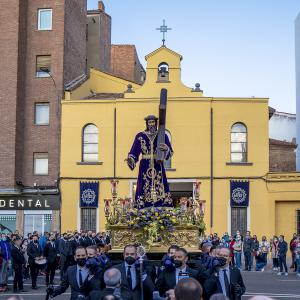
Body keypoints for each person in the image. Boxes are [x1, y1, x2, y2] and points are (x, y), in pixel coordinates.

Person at [126, 115, 174, 208]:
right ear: (147, 124)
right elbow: (134, 151)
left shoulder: (162, 135)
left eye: (153, 122)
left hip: (158, 164)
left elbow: (170, 152)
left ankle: (162, 205)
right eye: (149, 122)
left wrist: (166, 149)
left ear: (156, 123)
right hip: (145, 165)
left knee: (160, 184)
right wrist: (131, 159)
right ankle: (142, 205)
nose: (151, 124)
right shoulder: (140, 136)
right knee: (143, 185)